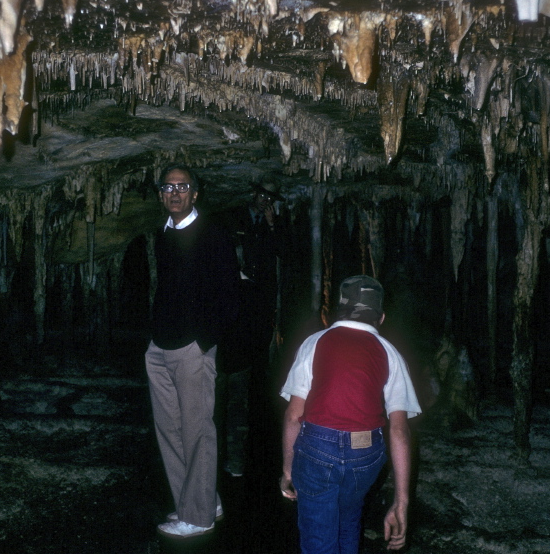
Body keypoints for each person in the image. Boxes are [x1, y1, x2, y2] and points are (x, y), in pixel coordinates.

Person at [279, 275, 421, 553]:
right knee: (347, 520)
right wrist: (401, 501)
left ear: (339, 310)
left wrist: (288, 468)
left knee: (319, 537)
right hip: (365, 455)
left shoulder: (315, 342)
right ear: (380, 318)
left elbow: (294, 415)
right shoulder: (390, 352)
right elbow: (399, 431)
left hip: (317, 450)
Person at [146, 164, 239, 539]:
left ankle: (197, 517)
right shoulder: (163, 234)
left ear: (195, 193)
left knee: (198, 431)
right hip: (160, 347)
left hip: (191, 348)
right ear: (160, 194)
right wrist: (153, 340)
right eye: (168, 188)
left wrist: (203, 342)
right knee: (169, 430)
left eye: (182, 187)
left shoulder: (213, 235)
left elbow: (231, 296)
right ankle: (200, 501)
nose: (175, 193)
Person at [218, 176, 286, 477]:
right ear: (253, 194)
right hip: (231, 304)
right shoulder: (234, 218)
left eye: (270, 199)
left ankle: (240, 451)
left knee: (245, 380)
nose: (265, 202)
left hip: (257, 308)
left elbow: (285, 254)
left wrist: (273, 226)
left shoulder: (273, 225)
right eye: (262, 196)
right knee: (228, 381)